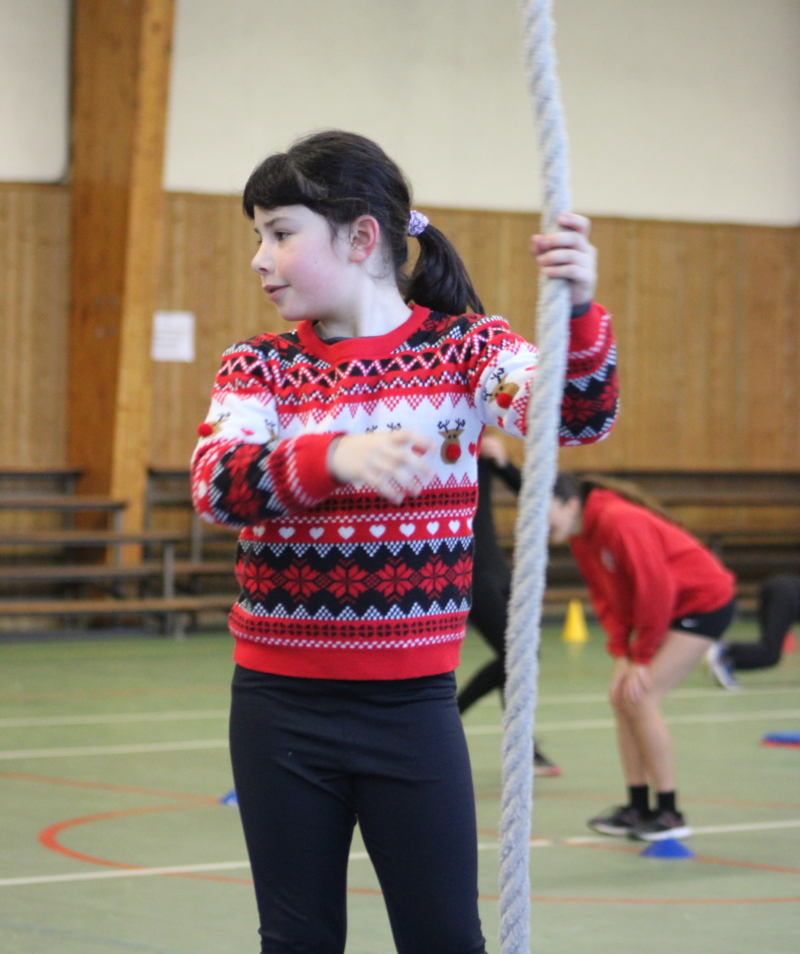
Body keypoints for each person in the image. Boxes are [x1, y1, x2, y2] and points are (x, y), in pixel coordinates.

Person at [191, 130, 618, 954]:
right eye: (259, 235)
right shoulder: (258, 367)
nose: (260, 259)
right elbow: (216, 482)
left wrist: (578, 310)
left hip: (412, 708)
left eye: (280, 233)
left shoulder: (466, 351)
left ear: (361, 238)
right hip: (279, 707)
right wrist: (331, 457)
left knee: (444, 938)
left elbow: (577, 416)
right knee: (296, 941)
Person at [549, 474, 736, 843]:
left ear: (570, 505)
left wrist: (642, 657)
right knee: (622, 697)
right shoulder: (581, 536)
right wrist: (621, 652)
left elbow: (656, 588)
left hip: (703, 602)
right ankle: (637, 806)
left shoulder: (618, 519)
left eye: (543, 511)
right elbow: (608, 598)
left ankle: (669, 812)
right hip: (667, 610)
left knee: (642, 697)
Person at [457, 432, 561, 775]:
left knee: (519, 656)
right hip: (469, 573)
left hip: (498, 570)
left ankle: (518, 744)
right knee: (516, 653)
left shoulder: (481, 450)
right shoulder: (445, 450)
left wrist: (503, 463)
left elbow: (532, 494)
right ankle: (522, 747)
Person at [706, 572, 800, 689]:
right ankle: (725, 652)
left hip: (776, 587)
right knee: (771, 653)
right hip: (787, 593)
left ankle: (726, 658)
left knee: (770, 651)